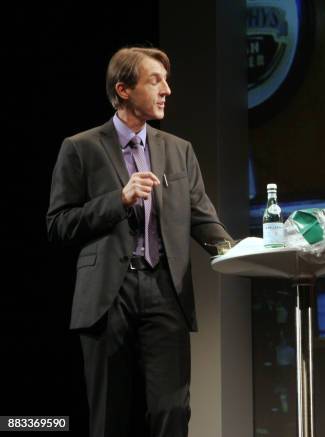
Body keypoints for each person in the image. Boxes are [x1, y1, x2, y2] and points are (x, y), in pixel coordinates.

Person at [47, 47, 232, 437]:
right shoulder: (81, 148)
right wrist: (119, 200)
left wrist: (237, 254)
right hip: (107, 296)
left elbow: (202, 218)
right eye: (155, 80)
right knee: (109, 416)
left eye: (166, 80)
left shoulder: (178, 150)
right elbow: (59, 225)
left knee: (172, 411)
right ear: (124, 89)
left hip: (166, 288)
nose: (166, 89)